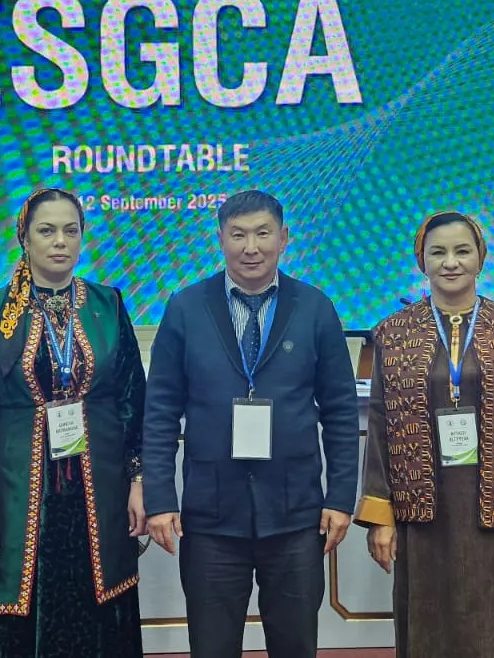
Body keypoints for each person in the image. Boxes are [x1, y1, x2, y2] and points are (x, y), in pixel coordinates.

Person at [143, 190, 359, 658]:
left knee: (295, 645)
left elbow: (341, 410)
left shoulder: (315, 307)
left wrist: (340, 498)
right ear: (220, 239)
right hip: (211, 517)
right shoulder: (186, 307)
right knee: (213, 647)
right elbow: (159, 410)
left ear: (284, 238)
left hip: (296, 515)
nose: (251, 248)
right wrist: (160, 500)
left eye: (263, 234)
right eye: (238, 235)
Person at [356, 211, 494, 657]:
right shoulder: (394, 335)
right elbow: (380, 427)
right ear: (421, 261)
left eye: (462, 251)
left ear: (481, 257)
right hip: (424, 513)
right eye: (437, 252)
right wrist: (380, 516)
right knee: (430, 629)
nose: (450, 262)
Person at [0, 188, 148, 657]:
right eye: (47, 230)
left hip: (97, 502)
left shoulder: (108, 304)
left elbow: (131, 401)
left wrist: (139, 480)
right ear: (25, 238)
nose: (60, 241)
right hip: (17, 502)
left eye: (70, 230)